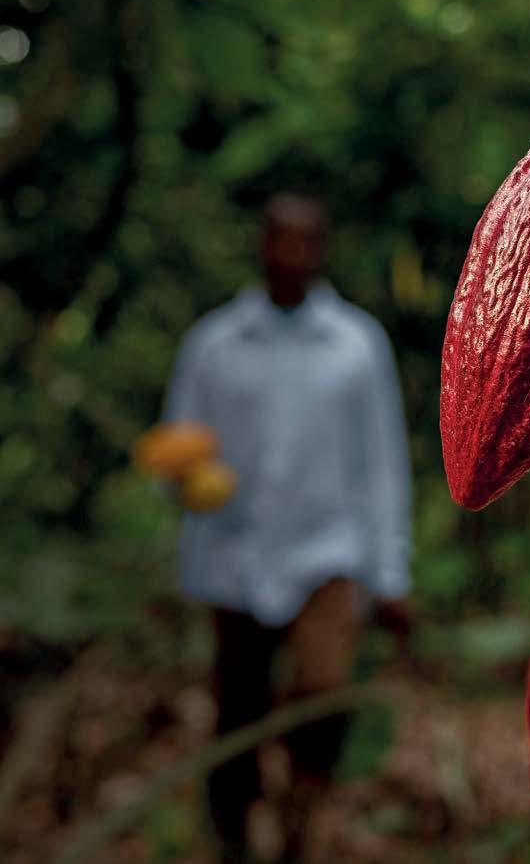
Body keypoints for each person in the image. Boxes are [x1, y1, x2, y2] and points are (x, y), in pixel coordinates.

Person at [161, 193, 412, 862]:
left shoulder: (356, 346)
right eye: (281, 240)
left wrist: (389, 573)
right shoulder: (214, 345)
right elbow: (178, 445)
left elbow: (381, 463)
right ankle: (233, 837)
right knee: (238, 708)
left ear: (322, 251)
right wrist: (186, 481)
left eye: (306, 242)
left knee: (322, 705)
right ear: (262, 245)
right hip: (233, 558)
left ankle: (303, 830)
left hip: (327, 556)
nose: (292, 255)